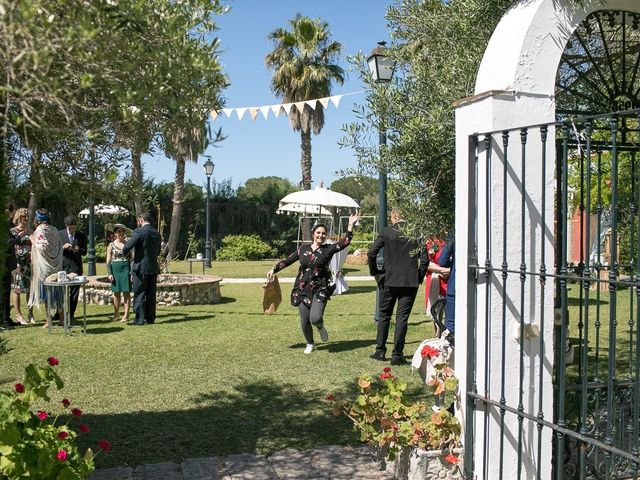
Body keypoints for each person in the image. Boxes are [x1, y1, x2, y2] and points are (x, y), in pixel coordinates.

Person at [266, 213, 360, 354]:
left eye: (323, 233)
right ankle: (310, 343)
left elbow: (345, 241)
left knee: (315, 318)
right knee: (304, 320)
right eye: (318, 233)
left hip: (320, 287)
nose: (321, 235)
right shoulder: (303, 249)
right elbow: (288, 260)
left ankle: (320, 326)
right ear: (313, 234)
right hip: (302, 288)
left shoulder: (328, 249)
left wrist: (350, 225)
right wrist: (274, 269)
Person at [368, 208, 429, 365]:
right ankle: (397, 355)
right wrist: (419, 276)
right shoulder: (416, 233)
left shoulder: (387, 232)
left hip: (389, 279)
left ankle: (380, 351)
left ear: (393, 217)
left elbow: (371, 253)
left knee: (384, 315)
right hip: (409, 281)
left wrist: (376, 273)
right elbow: (425, 260)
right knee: (402, 318)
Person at [122, 212, 161, 326]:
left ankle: (139, 319)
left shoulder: (138, 232)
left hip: (140, 267)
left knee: (139, 292)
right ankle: (150, 318)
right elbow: (158, 251)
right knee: (151, 293)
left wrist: (124, 252)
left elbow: (128, 246)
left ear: (141, 220)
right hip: (153, 267)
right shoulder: (156, 233)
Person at [28, 209, 64, 328]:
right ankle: (62, 318)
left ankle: (49, 320)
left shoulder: (40, 230)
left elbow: (42, 247)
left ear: (38, 220)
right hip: (56, 266)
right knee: (58, 292)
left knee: (47, 293)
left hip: (45, 267)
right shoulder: (54, 229)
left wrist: (32, 240)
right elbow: (60, 246)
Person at [59, 215, 87, 322]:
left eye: (74, 227)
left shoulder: (81, 235)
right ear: (66, 226)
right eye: (70, 228)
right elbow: (55, 249)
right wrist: (63, 247)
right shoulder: (59, 234)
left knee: (74, 292)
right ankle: (59, 314)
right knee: (61, 291)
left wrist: (78, 249)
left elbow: (85, 252)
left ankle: (71, 314)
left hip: (76, 267)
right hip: (62, 267)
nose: (72, 229)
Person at [11, 208, 34, 324]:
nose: (25, 219)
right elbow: (13, 247)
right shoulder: (13, 231)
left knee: (30, 289)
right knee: (18, 289)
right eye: (23, 217)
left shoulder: (30, 231)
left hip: (30, 263)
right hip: (18, 264)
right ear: (18, 218)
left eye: (27, 217)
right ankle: (18, 315)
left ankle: (31, 314)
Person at [106, 224, 132, 322]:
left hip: (126, 268)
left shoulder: (128, 244)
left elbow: (132, 258)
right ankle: (116, 313)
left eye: (122, 231)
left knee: (126, 292)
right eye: (118, 231)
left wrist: (131, 271)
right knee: (116, 293)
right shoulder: (111, 245)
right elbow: (108, 260)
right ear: (115, 233)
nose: (120, 233)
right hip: (115, 269)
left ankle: (126, 314)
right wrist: (109, 273)